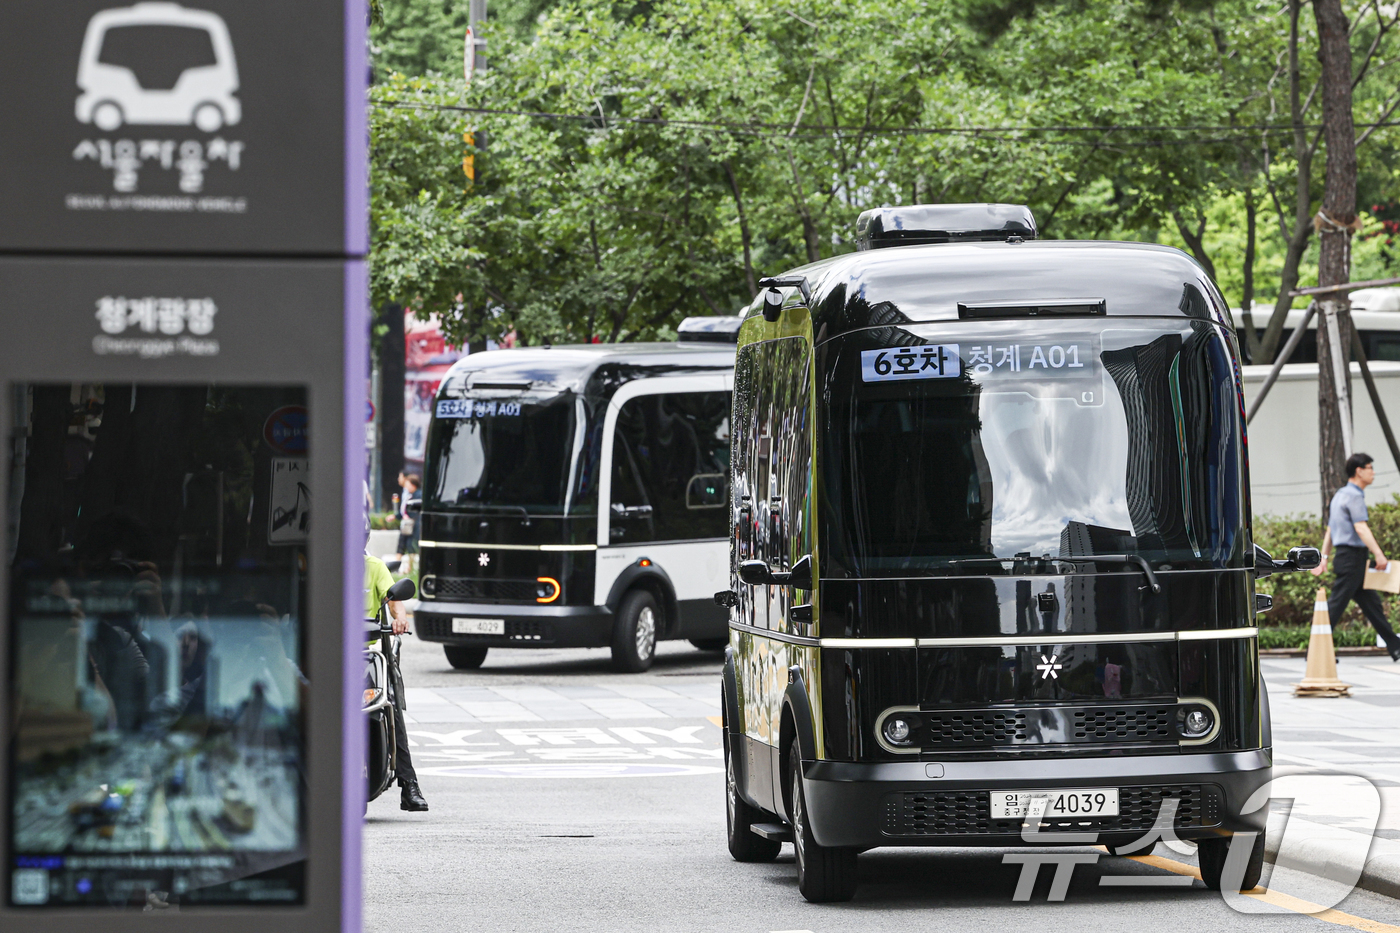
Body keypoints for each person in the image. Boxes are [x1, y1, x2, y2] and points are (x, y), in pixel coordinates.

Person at [1312, 452, 1400, 661]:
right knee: (1335, 605)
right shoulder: (1354, 496)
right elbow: (1360, 527)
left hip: (1348, 557)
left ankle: (1395, 647)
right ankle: (1315, 651)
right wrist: (1379, 555)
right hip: (1352, 558)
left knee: (1372, 605)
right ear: (1359, 471)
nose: (1373, 472)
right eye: (1370, 468)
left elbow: (1331, 530)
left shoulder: (1339, 496)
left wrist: (1324, 557)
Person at [365, 550, 429, 810]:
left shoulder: (374, 566)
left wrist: (400, 617)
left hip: (364, 654)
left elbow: (393, 599)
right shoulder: (320, 562)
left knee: (389, 704)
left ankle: (409, 783)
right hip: (323, 651)